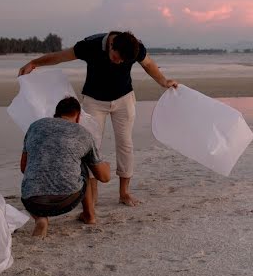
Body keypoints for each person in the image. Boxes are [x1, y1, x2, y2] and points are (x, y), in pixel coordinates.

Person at [18, 31, 177, 208]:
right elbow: (60, 57)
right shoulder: (90, 46)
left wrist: (163, 81)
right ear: (111, 46)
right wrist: (34, 63)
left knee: (125, 144)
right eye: (117, 57)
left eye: (124, 61)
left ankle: (124, 193)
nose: (119, 62)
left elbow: (148, 64)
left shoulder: (134, 48)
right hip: (94, 101)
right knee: (91, 146)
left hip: (124, 99)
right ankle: (92, 198)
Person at [21, 97, 111, 237]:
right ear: (78, 116)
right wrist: (106, 165)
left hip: (32, 202)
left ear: (55, 114)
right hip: (66, 199)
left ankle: (40, 219)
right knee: (82, 164)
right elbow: (104, 177)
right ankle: (89, 215)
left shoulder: (35, 126)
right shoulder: (82, 133)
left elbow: (23, 167)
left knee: (37, 167)